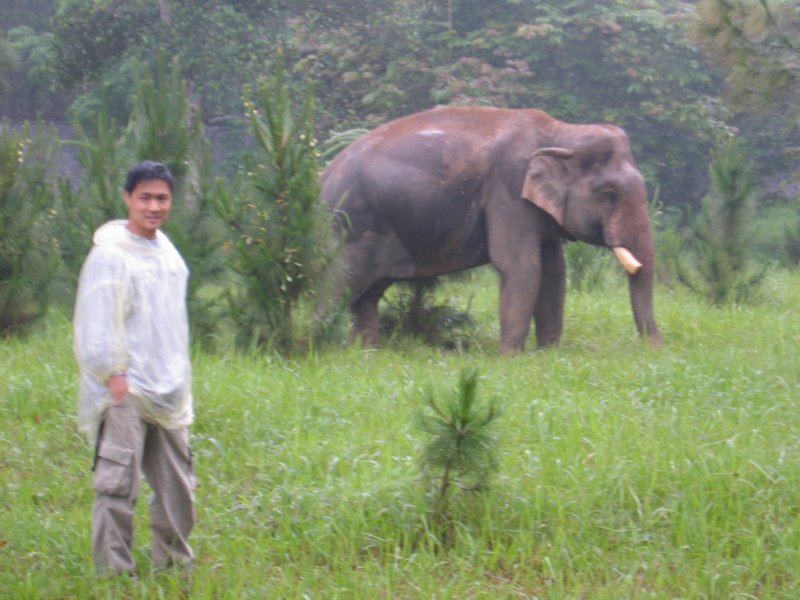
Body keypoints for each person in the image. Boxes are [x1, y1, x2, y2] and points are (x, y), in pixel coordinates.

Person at [73, 161, 195, 576]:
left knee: (178, 486)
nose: (154, 206)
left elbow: (172, 327)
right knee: (117, 484)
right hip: (125, 389)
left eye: (162, 198)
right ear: (128, 198)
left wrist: (178, 383)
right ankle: (114, 573)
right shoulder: (111, 255)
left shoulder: (169, 255)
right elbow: (98, 320)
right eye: (145, 197)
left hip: (168, 391)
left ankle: (174, 567)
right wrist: (114, 374)